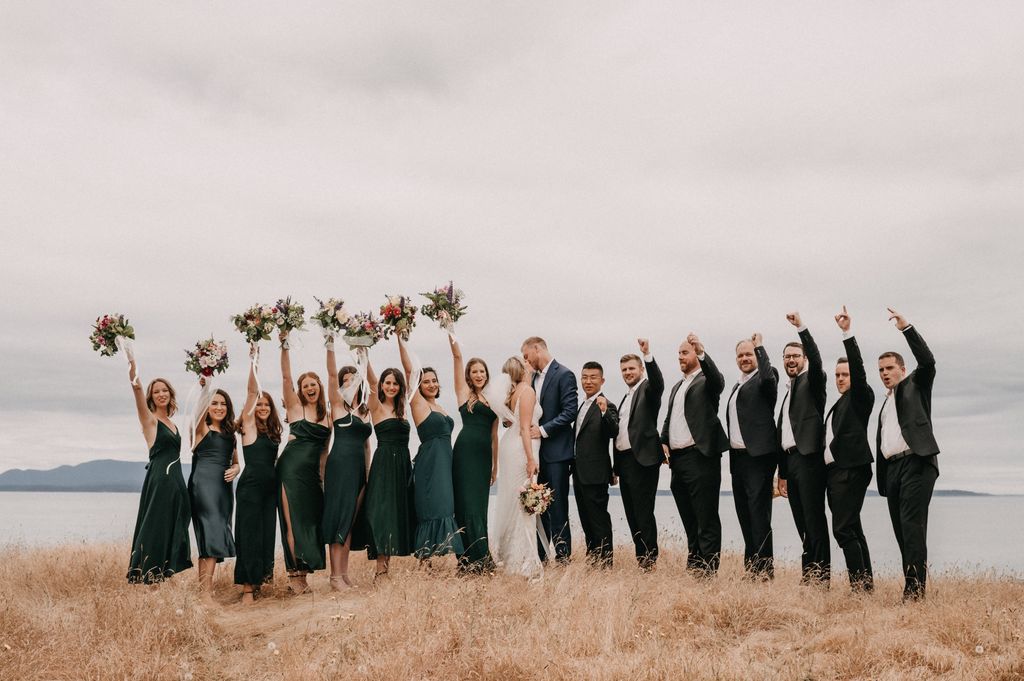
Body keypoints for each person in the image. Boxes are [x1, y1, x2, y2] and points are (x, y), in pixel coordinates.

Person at [876, 308, 939, 601]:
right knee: (902, 531)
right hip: (893, 470)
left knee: (913, 528)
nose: (885, 373)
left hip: (917, 463)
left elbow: (927, 361)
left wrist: (906, 328)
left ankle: (914, 594)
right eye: (881, 370)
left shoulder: (916, 385)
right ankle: (913, 586)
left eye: (889, 368)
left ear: (901, 369)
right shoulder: (885, 404)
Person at [660, 333, 729, 577]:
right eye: (679, 353)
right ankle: (695, 565)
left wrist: (701, 351)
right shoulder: (677, 386)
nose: (680, 356)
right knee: (689, 517)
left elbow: (718, 381)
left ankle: (708, 572)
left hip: (701, 457)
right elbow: (670, 418)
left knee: (706, 516)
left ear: (696, 355)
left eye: (685, 352)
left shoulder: (706, 382)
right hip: (678, 461)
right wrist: (664, 440)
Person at [398, 336, 464, 562]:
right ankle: (424, 563)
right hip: (430, 465)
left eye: (434, 380)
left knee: (446, 507)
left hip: (445, 464)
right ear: (419, 385)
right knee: (432, 509)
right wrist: (401, 338)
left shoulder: (440, 406)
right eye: (426, 381)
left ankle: (441, 559)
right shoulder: (418, 403)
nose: (432, 384)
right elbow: (408, 371)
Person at [776, 312, 830, 585]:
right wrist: (782, 474)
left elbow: (818, 362)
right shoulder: (788, 391)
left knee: (814, 521)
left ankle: (821, 581)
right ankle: (809, 576)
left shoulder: (813, 382)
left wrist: (802, 329)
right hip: (791, 463)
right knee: (802, 523)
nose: (791, 360)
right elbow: (784, 436)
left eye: (796, 356)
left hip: (809, 461)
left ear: (804, 358)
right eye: (787, 357)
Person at [125, 364, 192, 583]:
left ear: (170, 394)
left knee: (174, 526)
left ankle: (164, 574)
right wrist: (132, 367)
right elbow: (137, 391)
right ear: (151, 397)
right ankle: (148, 577)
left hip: (176, 482)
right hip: (160, 481)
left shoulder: (172, 423)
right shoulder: (150, 420)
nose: (161, 394)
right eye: (156, 391)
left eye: (165, 390)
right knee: (155, 527)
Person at [276, 330, 331, 593]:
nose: (310, 388)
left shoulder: (328, 416)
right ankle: (293, 576)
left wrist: (321, 479)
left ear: (320, 386)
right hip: (289, 470)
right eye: (306, 385)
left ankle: (304, 575)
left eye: (314, 384)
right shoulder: (295, 408)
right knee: (292, 522)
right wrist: (284, 346)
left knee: (309, 522)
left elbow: (324, 452)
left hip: (311, 476)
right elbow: (286, 376)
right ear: (301, 390)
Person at [824, 306, 875, 592]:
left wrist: (847, 333)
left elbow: (859, 367)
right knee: (852, 527)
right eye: (837, 375)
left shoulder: (859, 398)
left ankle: (859, 588)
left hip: (850, 470)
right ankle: (866, 587)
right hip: (836, 473)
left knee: (842, 529)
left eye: (845, 374)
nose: (841, 378)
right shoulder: (839, 404)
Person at [725, 333, 779, 580]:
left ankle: (764, 572)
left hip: (758, 458)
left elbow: (768, 377)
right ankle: (752, 568)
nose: (744, 358)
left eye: (748, 354)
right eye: (741, 355)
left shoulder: (766, 378)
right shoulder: (738, 384)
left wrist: (760, 347)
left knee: (759, 516)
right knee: (744, 514)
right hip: (738, 460)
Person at [521, 336, 578, 563]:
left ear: (537, 348)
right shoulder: (531, 378)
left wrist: (543, 430)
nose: (525, 360)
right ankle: (540, 556)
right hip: (535, 455)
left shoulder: (564, 374)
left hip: (556, 454)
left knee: (558, 507)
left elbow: (570, 411)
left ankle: (563, 557)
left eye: (526, 355)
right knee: (536, 507)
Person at [322, 339, 372, 590]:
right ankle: (334, 577)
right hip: (340, 466)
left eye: (354, 377)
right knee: (338, 517)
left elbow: (366, 446)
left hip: (358, 469)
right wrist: (330, 343)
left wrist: (369, 471)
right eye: (346, 378)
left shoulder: (365, 410)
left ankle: (344, 573)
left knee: (351, 518)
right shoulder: (338, 407)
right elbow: (331, 374)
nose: (349, 380)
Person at [488, 357, 544, 579]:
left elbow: (510, 422)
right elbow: (523, 427)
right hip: (522, 448)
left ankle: (512, 555)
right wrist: (531, 459)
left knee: (515, 500)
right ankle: (524, 560)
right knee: (523, 503)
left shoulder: (511, 394)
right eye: (525, 364)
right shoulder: (527, 391)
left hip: (509, 446)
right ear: (521, 370)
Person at [234, 351, 282, 602]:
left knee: (265, 535)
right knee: (249, 536)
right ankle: (247, 589)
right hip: (251, 488)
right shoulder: (248, 427)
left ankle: (261, 582)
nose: (262, 407)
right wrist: (253, 362)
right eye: (259, 404)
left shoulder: (274, 432)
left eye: (267, 404)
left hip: (270, 490)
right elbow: (251, 393)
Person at [613, 338, 664, 570]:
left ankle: (649, 561)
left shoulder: (648, 389)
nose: (627, 372)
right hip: (624, 462)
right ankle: (640, 558)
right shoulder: (625, 397)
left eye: (631, 368)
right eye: (624, 370)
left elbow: (658, 383)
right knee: (632, 512)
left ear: (641, 369)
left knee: (643, 511)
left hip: (643, 459)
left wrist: (647, 355)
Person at [363, 358, 416, 579]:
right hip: (384, 463)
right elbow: (371, 380)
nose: (391, 387)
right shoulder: (376, 405)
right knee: (382, 514)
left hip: (402, 463)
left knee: (396, 513)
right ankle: (380, 570)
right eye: (388, 383)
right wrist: (364, 353)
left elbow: (413, 371)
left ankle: (388, 567)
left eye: (395, 383)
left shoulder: (403, 409)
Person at [449, 336, 498, 573]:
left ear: (487, 374)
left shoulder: (494, 399)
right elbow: (457, 357)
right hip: (464, 454)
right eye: (474, 371)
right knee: (464, 505)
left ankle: (481, 557)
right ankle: (467, 561)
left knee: (479, 506)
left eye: (482, 371)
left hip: (483, 458)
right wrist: (450, 329)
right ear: (469, 375)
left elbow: (494, 436)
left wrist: (495, 467)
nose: (479, 375)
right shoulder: (463, 394)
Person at [189, 384, 239, 598]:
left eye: (223, 404)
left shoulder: (231, 434)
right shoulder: (201, 429)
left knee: (211, 537)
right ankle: (207, 594)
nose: (219, 407)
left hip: (224, 491)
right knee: (210, 533)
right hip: (203, 486)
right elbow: (198, 412)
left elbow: (236, 461)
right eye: (214, 403)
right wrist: (205, 387)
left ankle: (203, 591)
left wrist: (236, 469)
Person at [572, 361, 619, 567]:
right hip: (579, 472)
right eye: (584, 377)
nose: (588, 381)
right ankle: (593, 558)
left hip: (596, 472)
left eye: (593, 377)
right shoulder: (581, 405)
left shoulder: (607, 404)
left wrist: (604, 412)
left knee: (599, 519)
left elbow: (613, 432)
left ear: (602, 380)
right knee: (586, 519)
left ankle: (606, 562)